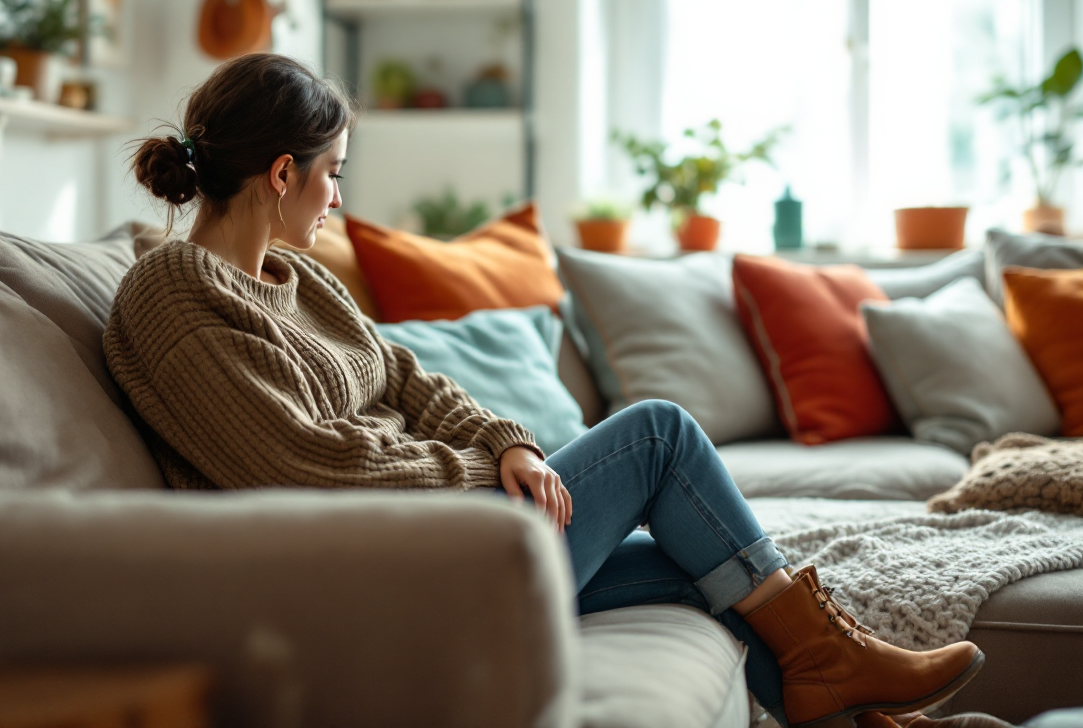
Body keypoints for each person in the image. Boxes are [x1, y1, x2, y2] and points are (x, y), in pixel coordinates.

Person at [105, 53, 983, 728]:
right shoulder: (174, 291)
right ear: (284, 173)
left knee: (697, 570)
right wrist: (482, 475)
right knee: (656, 436)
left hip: (444, 540)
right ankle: (840, 664)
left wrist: (509, 444)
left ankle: (854, 704)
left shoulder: (302, 282)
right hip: (378, 578)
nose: (339, 194)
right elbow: (305, 465)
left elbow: (412, 381)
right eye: (335, 170)